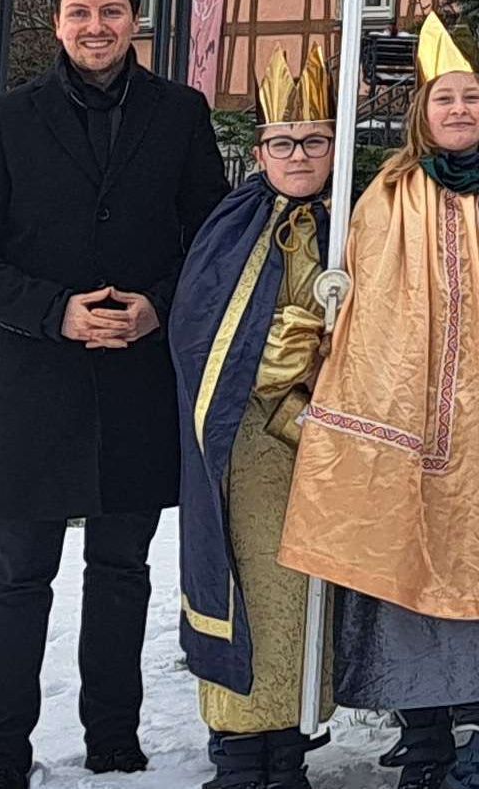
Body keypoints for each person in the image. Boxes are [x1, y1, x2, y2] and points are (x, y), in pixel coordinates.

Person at [0, 0, 231, 789]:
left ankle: (113, 736)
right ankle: (1, 755)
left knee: (123, 569)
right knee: (20, 573)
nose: (95, 27)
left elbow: (210, 240)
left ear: (135, 18)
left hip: (138, 379)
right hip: (40, 381)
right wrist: (53, 309)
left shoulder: (179, 113)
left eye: (110, 11)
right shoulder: (8, 117)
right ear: (57, 22)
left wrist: (159, 305)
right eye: (79, 12)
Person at [276, 15, 479, 789]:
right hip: (406, 429)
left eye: (470, 100)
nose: (457, 112)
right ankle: (425, 741)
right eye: (444, 99)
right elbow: (365, 312)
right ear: (424, 111)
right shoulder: (388, 194)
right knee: (405, 578)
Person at [170, 47, 342, 789]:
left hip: (332, 441)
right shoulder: (231, 224)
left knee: (308, 597)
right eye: (282, 142)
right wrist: (299, 339)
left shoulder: (355, 222)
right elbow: (200, 329)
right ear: (260, 150)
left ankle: (288, 751)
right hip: (249, 446)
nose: (298, 155)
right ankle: (239, 753)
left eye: (314, 140)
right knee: (250, 592)